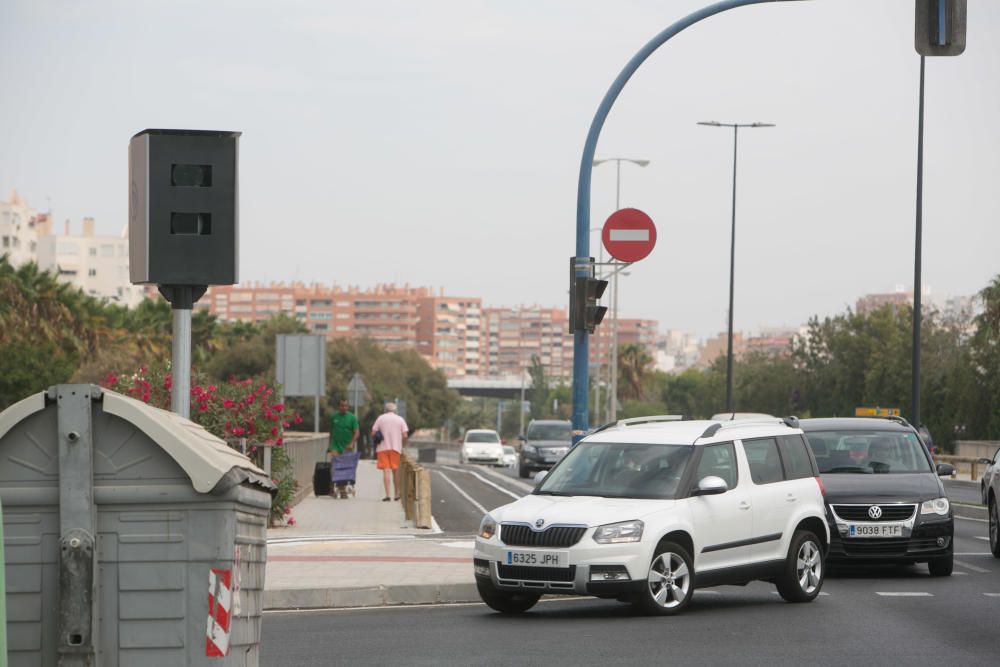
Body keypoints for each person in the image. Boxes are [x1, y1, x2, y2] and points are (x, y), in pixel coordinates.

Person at [371, 401, 408, 502]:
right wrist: (401, 444)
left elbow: (373, 432)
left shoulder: (380, 418)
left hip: (382, 448)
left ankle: (387, 495)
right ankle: (396, 495)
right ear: (395, 410)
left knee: (386, 471)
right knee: (395, 471)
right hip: (395, 448)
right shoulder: (400, 419)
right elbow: (405, 435)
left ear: (385, 409)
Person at [329, 398, 359, 495]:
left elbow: (357, 432)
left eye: (345, 406)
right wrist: (329, 445)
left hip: (347, 447)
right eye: (342, 405)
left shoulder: (352, 418)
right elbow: (331, 431)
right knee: (334, 466)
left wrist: (352, 443)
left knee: (344, 468)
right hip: (335, 445)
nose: (344, 407)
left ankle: (342, 490)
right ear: (339, 406)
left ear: (348, 407)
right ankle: (334, 487)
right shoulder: (334, 417)